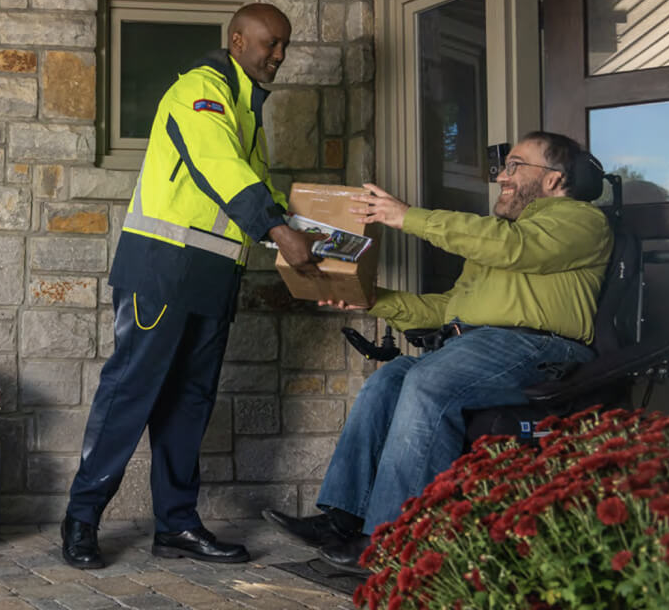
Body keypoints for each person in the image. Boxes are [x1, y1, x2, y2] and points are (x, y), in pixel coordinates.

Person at [262, 131, 613, 574]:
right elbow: (450, 309)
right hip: (475, 345)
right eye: (504, 167)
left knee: (428, 382)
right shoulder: (500, 236)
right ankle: (342, 518)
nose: (503, 176)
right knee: (388, 380)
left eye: (515, 166)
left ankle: (393, 540)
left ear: (554, 180)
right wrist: (375, 300)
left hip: (541, 348)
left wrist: (408, 217)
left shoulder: (580, 221)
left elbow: (515, 250)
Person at [60, 3, 326, 569]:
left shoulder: (246, 106)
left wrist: (301, 232)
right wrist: (280, 232)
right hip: (163, 269)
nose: (278, 55)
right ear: (237, 40)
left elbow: (250, 184)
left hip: (211, 275)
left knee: (189, 404)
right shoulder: (200, 90)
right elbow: (218, 166)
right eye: (269, 44)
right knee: (131, 393)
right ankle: (81, 518)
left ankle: (176, 526)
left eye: (284, 46)